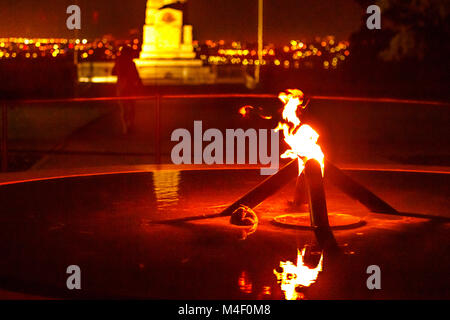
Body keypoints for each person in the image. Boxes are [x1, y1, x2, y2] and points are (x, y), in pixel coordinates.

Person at [112, 45, 142, 134]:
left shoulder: (118, 62)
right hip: (130, 87)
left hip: (121, 87)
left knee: (124, 109)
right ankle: (130, 124)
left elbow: (113, 72)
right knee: (131, 107)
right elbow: (136, 76)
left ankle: (125, 127)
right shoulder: (131, 63)